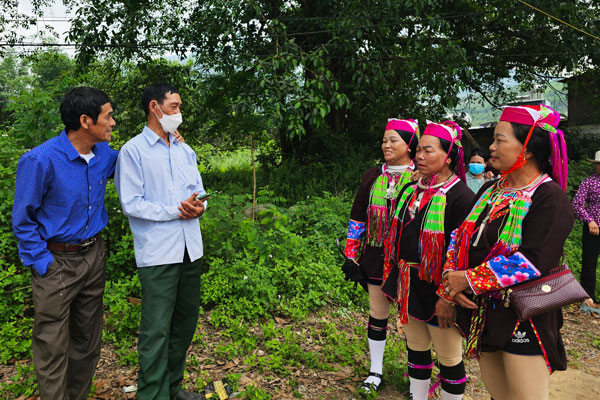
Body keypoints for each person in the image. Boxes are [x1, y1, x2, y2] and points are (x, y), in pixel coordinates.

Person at [441, 104, 572, 400]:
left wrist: (469, 280)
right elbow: (459, 237)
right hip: (485, 313)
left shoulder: (550, 198)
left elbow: (531, 261)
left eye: (500, 140)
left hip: (525, 315)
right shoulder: (491, 189)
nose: (491, 147)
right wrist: (451, 280)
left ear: (526, 149)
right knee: (498, 394)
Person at [12, 87, 118, 400]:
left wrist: (171, 142)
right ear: (86, 121)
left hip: (92, 257)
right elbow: (23, 220)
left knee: (87, 342)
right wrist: (42, 262)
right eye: (108, 116)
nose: (113, 122)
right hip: (56, 262)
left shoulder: (104, 156)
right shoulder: (39, 160)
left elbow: (140, 163)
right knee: (52, 347)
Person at [114, 83, 207, 400]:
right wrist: (175, 211)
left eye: (180, 108)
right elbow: (132, 203)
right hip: (158, 254)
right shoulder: (133, 151)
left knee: (183, 325)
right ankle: (152, 394)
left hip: (190, 249)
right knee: (156, 331)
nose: (179, 114)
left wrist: (199, 206)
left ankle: (172, 388)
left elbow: (200, 192)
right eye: (174, 107)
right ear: (154, 107)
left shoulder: (184, 150)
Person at [381, 121, 474, 400]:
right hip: (409, 283)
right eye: (418, 150)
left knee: (448, 357)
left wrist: (447, 296)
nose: (419, 156)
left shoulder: (461, 197)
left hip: (441, 289)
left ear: (449, 155)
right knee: (416, 348)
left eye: (428, 151)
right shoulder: (411, 189)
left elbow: (463, 253)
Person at [343, 118, 419, 394]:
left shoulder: (421, 178)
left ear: (409, 145)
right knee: (377, 314)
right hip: (375, 255)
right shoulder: (372, 176)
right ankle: (375, 371)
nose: (386, 144)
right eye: (385, 140)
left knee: (413, 320)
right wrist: (352, 253)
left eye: (393, 140)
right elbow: (358, 215)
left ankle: (416, 378)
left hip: (409, 260)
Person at [573, 150, 600, 308]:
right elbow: (577, 204)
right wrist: (589, 220)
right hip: (593, 228)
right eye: (597, 164)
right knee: (589, 263)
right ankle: (587, 296)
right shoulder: (589, 182)